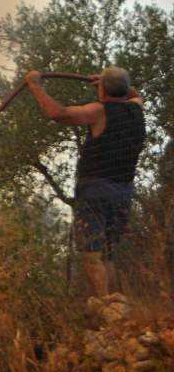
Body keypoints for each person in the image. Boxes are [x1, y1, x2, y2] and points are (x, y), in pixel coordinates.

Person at [24, 67, 146, 300]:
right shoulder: (137, 107)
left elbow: (57, 113)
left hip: (95, 190)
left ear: (103, 90)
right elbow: (133, 92)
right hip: (123, 192)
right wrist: (109, 82)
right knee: (107, 254)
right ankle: (113, 301)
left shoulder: (99, 111)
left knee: (92, 253)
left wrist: (35, 86)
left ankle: (104, 303)